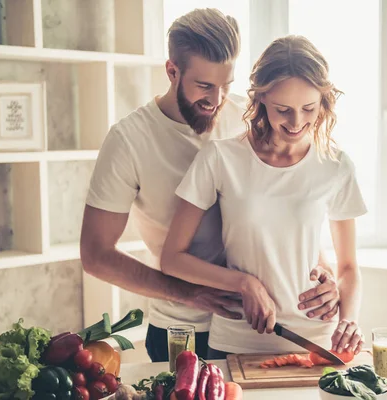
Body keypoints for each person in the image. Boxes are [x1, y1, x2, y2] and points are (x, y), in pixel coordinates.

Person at [80, 10, 340, 363]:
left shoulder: (246, 119)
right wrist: (189, 293)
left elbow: (287, 200)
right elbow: (96, 255)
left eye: (226, 85)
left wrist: (323, 269)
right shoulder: (129, 140)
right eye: (204, 86)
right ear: (172, 71)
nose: (217, 100)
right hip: (182, 329)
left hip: (253, 330)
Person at [160, 35, 367, 359]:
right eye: (283, 109)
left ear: (323, 102)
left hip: (317, 341)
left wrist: (348, 318)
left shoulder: (336, 165)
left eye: (308, 108)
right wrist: (244, 283)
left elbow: (349, 267)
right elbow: (172, 258)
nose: (297, 122)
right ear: (260, 101)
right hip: (238, 341)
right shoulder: (220, 158)